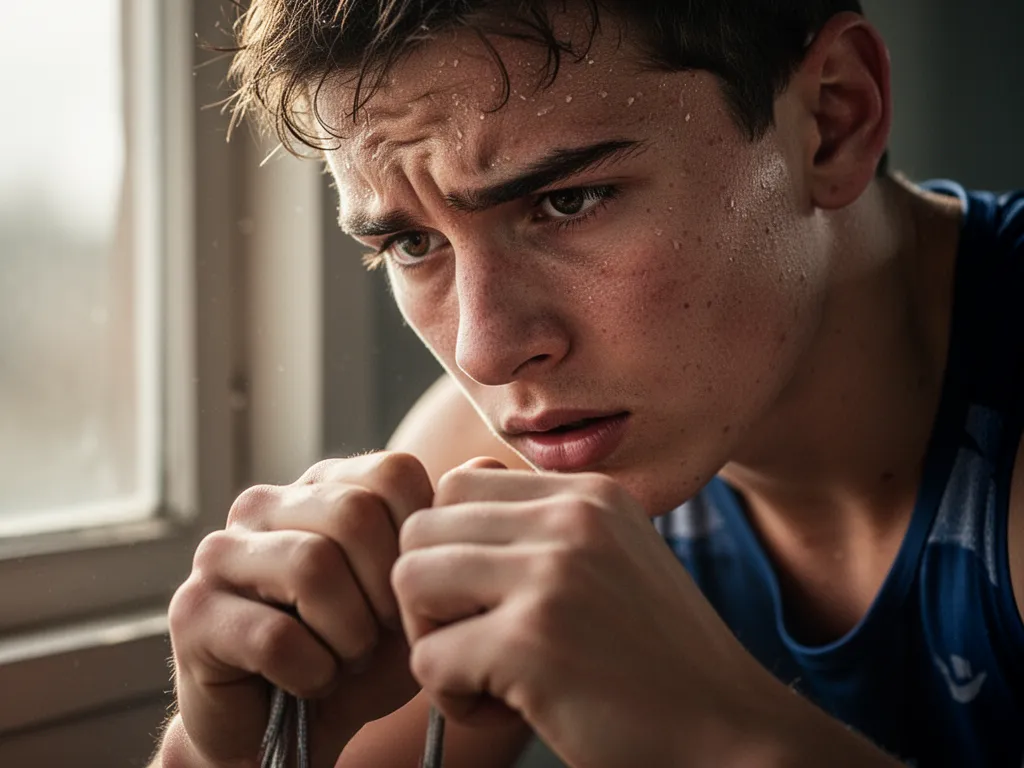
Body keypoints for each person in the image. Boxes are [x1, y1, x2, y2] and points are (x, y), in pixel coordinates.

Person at [150, 1, 1024, 766]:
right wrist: (222, 756)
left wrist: (722, 739)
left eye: (569, 202)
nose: (485, 351)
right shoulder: (496, 457)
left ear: (832, 118)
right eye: (412, 244)